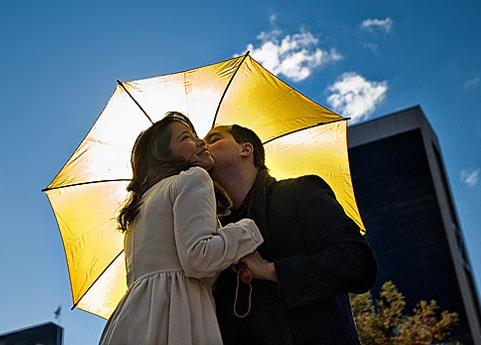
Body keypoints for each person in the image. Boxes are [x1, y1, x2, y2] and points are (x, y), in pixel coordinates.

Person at [99, 112, 265, 345]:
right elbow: (199, 256)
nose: (201, 142)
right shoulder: (194, 178)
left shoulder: (141, 203)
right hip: (178, 315)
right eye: (186, 137)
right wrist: (247, 229)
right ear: (166, 155)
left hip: (132, 320)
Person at [205, 124, 378, 345]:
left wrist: (270, 270)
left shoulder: (300, 192)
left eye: (214, 139)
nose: (203, 146)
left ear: (245, 149)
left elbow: (359, 262)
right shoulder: (214, 235)